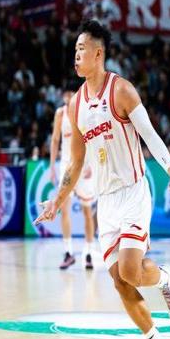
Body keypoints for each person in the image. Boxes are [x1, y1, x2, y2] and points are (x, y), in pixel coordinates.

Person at [35, 20, 170, 339]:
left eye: (82, 49)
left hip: (133, 192)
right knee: (120, 281)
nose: (76, 55)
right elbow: (75, 162)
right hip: (107, 202)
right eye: (75, 50)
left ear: (98, 53)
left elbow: (149, 135)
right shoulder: (76, 106)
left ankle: (164, 278)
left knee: (132, 271)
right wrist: (57, 200)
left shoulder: (121, 90)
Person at [50, 89, 96, 270]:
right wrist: (52, 167)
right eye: (65, 94)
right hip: (66, 166)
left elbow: (93, 139)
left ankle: (88, 253)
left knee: (87, 211)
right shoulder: (60, 114)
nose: (68, 97)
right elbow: (55, 140)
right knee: (64, 208)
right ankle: (68, 252)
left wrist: (91, 164)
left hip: (84, 165)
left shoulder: (85, 110)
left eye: (71, 93)